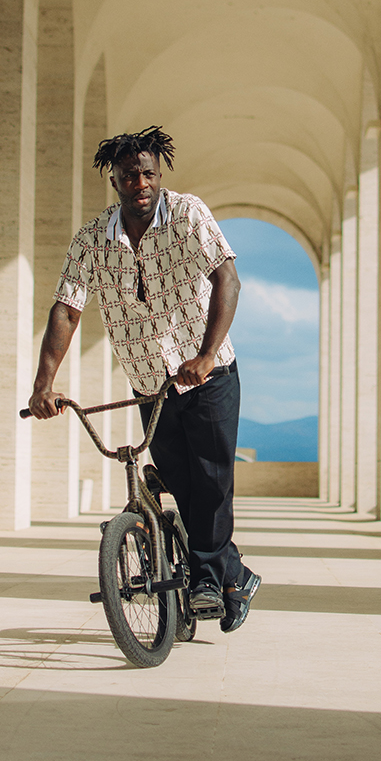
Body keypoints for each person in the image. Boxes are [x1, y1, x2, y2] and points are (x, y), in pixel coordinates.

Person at [28, 124, 260, 633]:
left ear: (160, 174)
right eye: (130, 175)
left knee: (212, 480)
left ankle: (206, 584)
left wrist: (206, 354)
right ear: (114, 180)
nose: (141, 183)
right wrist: (43, 384)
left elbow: (227, 278)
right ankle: (236, 576)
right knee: (181, 481)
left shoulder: (188, 214)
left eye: (149, 173)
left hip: (209, 374)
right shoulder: (92, 239)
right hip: (149, 382)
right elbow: (67, 309)